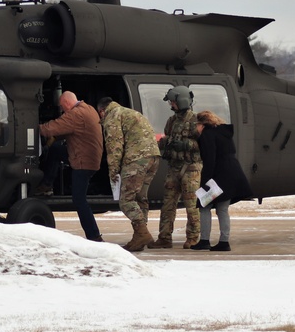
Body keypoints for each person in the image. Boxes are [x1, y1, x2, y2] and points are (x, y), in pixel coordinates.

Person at [38, 91, 104, 242]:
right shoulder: (88, 109)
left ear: (67, 103)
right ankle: (47, 185)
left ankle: (94, 236)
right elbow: (66, 130)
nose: (62, 110)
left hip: (83, 162)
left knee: (79, 200)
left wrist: (33, 127)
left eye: (62, 106)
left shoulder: (75, 114)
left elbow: (51, 128)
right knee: (56, 150)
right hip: (88, 157)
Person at [97, 97, 161, 252]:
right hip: (153, 157)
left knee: (126, 200)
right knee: (140, 198)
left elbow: (115, 146)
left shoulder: (112, 116)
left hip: (136, 159)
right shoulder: (129, 112)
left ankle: (142, 233)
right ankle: (139, 237)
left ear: (102, 111)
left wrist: (113, 172)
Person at [190, 110, 253, 252]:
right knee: (222, 209)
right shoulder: (223, 133)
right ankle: (224, 241)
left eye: (196, 125)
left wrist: (205, 182)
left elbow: (209, 159)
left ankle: (205, 240)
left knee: (204, 206)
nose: (196, 129)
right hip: (232, 172)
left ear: (202, 124)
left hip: (219, 175)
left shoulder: (207, 135)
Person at [151, 87, 202, 249]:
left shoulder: (196, 121)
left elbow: (204, 144)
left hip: (191, 168)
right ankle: (164, 237)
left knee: (191, 204)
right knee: (167, 204)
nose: (171, 105)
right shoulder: (171, 121)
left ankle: (193, 237)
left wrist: (186, 144)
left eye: (173, 101)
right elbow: (167, 137)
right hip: (174, 167)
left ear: (182, 101)